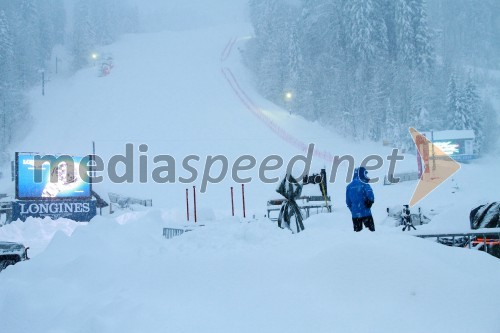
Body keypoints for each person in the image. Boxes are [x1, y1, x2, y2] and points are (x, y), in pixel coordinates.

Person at [346, 167, 375, 232]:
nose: (366, 176)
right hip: (366, 213)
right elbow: (370, 195)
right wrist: (370, 202)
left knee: (357, 235)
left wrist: (353, 210)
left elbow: (348, 202)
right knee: (372, 233)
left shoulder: (349, 186)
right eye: (365, 174)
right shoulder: (364, 184)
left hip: (355, 215)